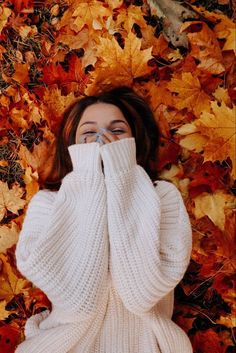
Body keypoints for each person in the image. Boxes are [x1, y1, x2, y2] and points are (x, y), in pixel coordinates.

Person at [15, 86, 193, 353]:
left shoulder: (162, 197)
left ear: (133, 142)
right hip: (65, 343)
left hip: (144, 343)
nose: (102, 139)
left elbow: (140, 294)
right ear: (73, 148)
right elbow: (78, 301)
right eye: (88, 133)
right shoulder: (47, 204)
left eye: (117, 130)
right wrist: (88, 179)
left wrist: (122, 176)